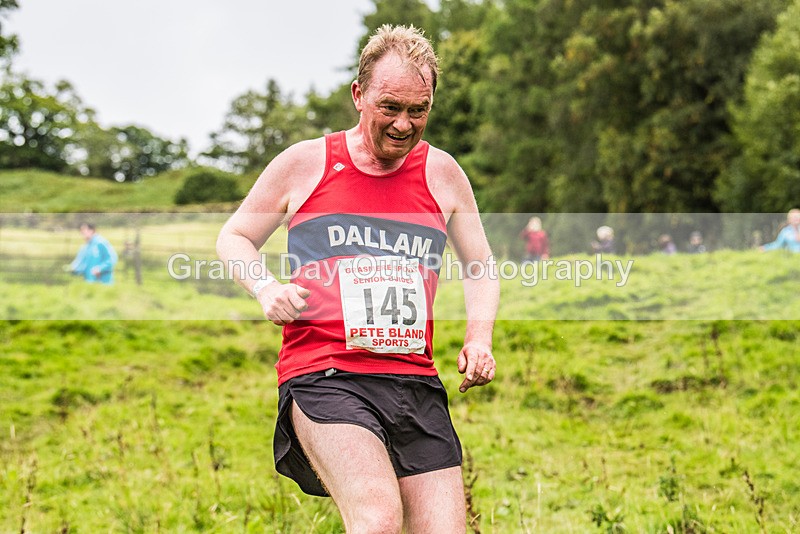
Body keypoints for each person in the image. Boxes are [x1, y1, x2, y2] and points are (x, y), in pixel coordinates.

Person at [217, 25, 499, 533]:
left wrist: (479, 338)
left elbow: (480, 264)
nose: (403, 124)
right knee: (378, 518)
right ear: (358, 95)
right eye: (390, 106)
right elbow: (234, 236)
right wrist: (266, 288)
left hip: (414, 380)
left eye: (418, 110)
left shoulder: (443, 173)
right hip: (326, 374)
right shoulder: (305, 164)